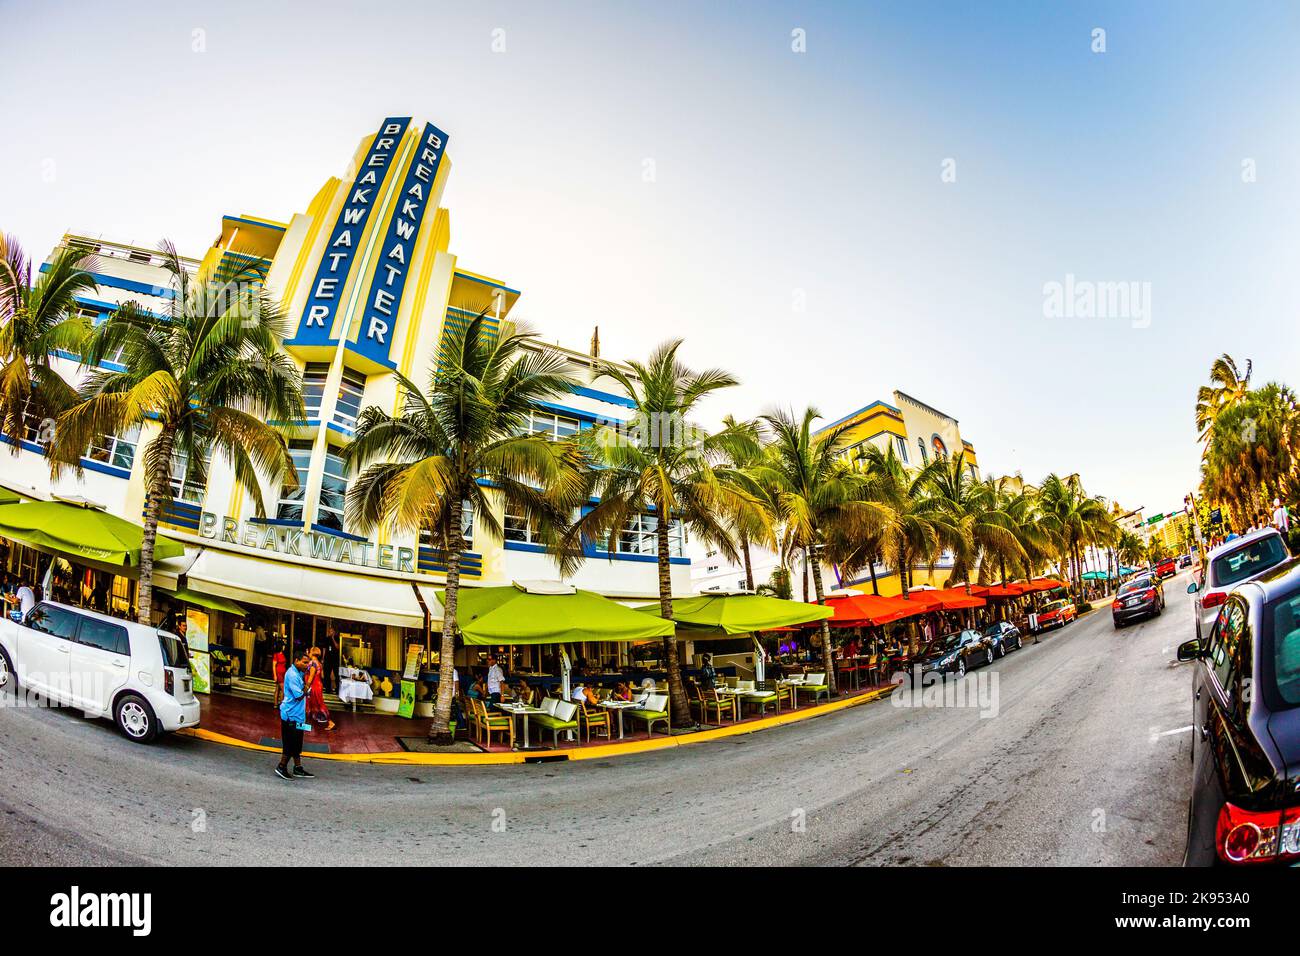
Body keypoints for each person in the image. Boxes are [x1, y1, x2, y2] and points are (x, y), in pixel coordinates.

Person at [275, 652, 315, 781]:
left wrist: (311, 668)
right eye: (303, 663)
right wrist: (307, 685)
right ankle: (281, 766)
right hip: (290, 715)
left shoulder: (299, 672)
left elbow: (312, 668)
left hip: (298, 716)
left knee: (297, 742)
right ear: (296, 660)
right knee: (290, 743)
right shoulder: (292, 675)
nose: (306, 666)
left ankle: (298, 768)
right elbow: (299, 696)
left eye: (307, 663)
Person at [305, 646, 335, 732]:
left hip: (314, 686)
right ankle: (308, 724)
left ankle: (330, 722)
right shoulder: (318, 663)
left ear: (313, 653)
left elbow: (311, 676)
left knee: (318, 704)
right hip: (318, 685)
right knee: (313, 704)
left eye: (310, 651)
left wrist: (306, 687)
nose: (309, 653)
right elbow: (322, 676)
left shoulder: (313, 663)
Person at [270, 641, 288, 709]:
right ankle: (282, 704)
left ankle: (275, 704)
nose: (284, 647)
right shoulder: (276, 655)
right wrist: (275, 675)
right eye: (283, 645)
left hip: (283, 673)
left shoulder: (282, 654)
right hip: (278, 673)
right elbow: (273, 666)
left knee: (278, 688)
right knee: (283, 689)